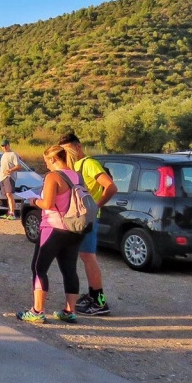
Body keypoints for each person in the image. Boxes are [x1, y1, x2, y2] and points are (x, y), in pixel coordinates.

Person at [16, 145, 85, 324]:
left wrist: (33, 200)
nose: (45, 164)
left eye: (46, 160)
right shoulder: (77, 175)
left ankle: (37, 311)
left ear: (53, 159)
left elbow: (47, 203)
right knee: (69, 269)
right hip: (74, 228)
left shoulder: (53, 177)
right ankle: (70, 311)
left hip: (53, 227)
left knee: (39, 268)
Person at [59, 132, 117, 316]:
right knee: (85, 257)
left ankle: (100, 302)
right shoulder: (74, 165)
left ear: (78, 147)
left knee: (88, 257)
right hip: (79, 218)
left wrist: (96, 205)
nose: (68, 154)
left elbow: (111, 187)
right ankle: (93, 295)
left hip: (87, 218)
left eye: (69, 150)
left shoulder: (89, 164)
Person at [0, 140, 21, 220]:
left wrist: (10, 170)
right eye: (2, 146)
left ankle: (12, 213)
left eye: (5, 145)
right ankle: (9, 212)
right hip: (3, 177)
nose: (4, 147)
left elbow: (18, 166)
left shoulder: (13, 154)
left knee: (9, 194)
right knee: (7, 195)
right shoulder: (4, 155)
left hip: (9, 177)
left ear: (8, 145)